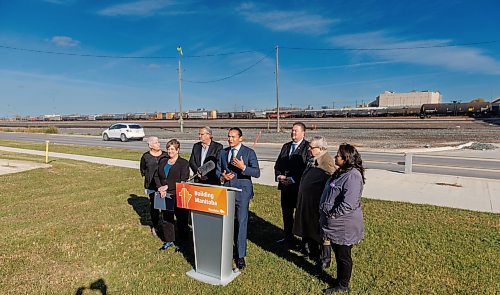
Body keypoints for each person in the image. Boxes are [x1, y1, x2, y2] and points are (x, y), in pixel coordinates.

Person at [320, 143, 365, 294]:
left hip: (344, 224)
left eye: (338, 155)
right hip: (334, 223)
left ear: (347, 158)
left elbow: (349, 203)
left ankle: (343, 285)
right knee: (339, 253)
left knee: (343, 255)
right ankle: (340, 279)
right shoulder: (342, 172)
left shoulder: (352, 176)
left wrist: (332, 214)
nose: (335, 157)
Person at [216, 127, 260, 270]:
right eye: (229, 136)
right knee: (226, 222)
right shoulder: (223, 152)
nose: (230, 139)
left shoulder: (249, 152)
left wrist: (243, 167)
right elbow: (218, 171)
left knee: (241, 222)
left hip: (242, 193)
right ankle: (226, 249)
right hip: (227, 191)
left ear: (241, 138)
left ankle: (240, 255)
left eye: (233, 137)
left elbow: (257, 172)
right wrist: (222, 177)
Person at [292, 136, 335, 267]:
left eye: (311, 147)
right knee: (309, 226)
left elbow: (331, 185)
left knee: (320, 232)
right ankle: (311, 251)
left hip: (317, 203)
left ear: (321, 148)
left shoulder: (326, 162)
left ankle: (324, 259)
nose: (309, 149)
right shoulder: (313, 159)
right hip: (307, 202)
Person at [274, 122, 309, 247]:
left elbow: (307, 169)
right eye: (292, 130)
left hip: (299, 188)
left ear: (303, 133)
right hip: (285, 187)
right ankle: (288, 238)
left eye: (296, 131)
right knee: (287, 215)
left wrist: (293, 179)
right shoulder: (286, 146)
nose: (293, 133)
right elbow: (278, 164)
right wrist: (279, 176)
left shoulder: (308, 147)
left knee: (302, 216)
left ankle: (305, 243)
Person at [156, 139, 191, 251]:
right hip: (164, 194)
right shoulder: (163, 161)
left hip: (179, 195)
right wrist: (160, 188)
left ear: (177, 150)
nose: (170, 151)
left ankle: (183, 242)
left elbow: (183, 180)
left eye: (172, 149)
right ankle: (169, 239)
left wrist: (167, 187)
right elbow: (157, 176)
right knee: (167, 218)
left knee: (181, 219)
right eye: (168, 149)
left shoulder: (184, 163)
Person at [139, 136, 168, 237]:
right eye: (156, 143)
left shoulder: (165, 155)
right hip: (151, 185)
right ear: (150, 145)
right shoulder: (145, 157)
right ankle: (155, 226)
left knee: (165, 206)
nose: (158, 144)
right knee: (154, 206)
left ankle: (166, 227)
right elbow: (143, 169)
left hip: (164, 185)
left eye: (159, 142)